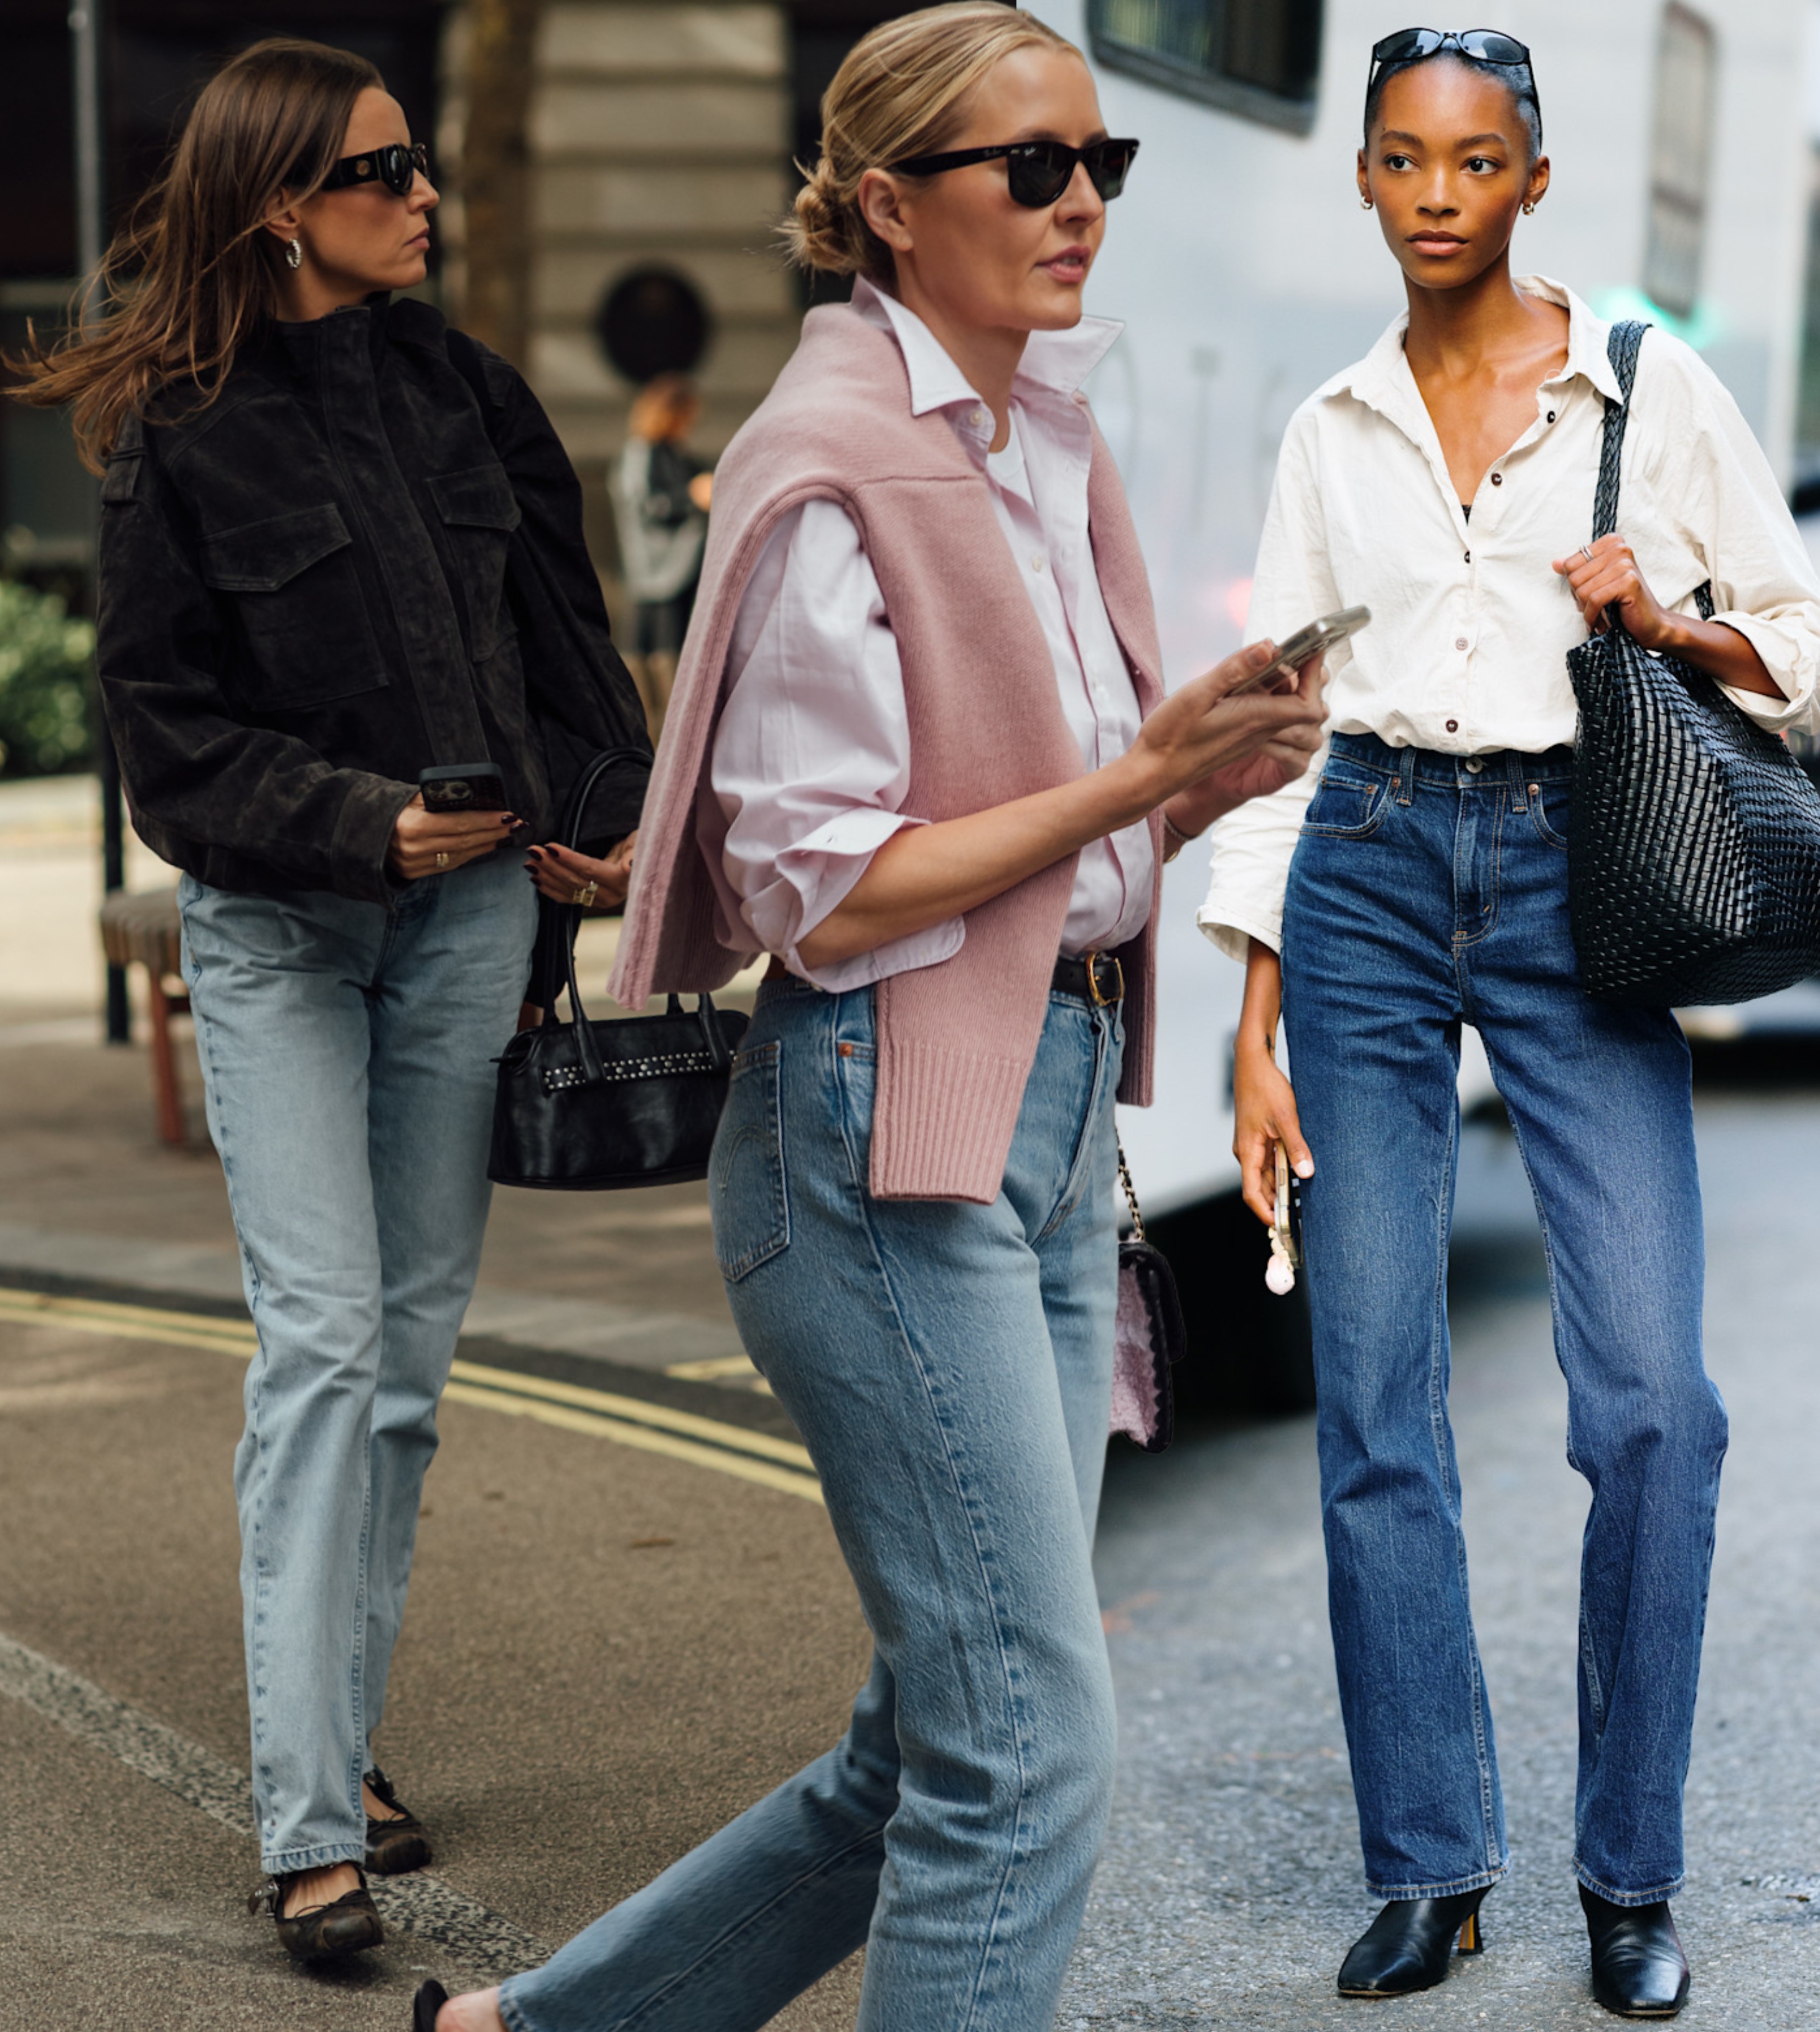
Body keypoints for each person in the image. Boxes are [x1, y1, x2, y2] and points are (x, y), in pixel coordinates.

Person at [413, 6, 1325, 2028]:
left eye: (1105, 163)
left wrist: (1190, 764)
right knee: (1024, 1752)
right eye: (1033, 167)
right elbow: (827, 885)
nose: (1082, 200)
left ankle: (541, 2028)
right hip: (884, 1129)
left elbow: (1025, 825)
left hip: (1051, 1105)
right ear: (891, 206)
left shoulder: (1030, 440)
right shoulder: (831, 464)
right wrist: (1124, 787)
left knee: (940, 1731)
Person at [1204, 27, 1820, 2021]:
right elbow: (1276, 720)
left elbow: (1816, 651)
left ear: (1529, 181)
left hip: (1576, 873)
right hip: (1368, 877)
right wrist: (1251, 1012)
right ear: (1366, 181)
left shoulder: (1646, 392)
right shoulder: (1328, 424)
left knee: (1651, 1400)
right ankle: (1429, 1863)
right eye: (1398, 158)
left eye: (1471, 161)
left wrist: (1662, 615)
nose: (1431, 194)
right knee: (1370, 1392)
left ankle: (1626, 1873)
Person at [10, 37, 648, 1963]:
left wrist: (597, 832)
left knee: (405, 1371)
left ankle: (337, 1741)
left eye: (423, 163)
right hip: (283, 933)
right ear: (283, 204)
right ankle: (308, 1828)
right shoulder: (182, 433)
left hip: (467, 943)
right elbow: (171, 747)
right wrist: (369, 822)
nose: (425, 197)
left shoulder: (476, 396)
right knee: (319, 1340)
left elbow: (575, 669)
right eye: (385, 173)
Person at [610, 370, 711, 740]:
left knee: (672, 656)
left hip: (677, 572)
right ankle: (655, 739)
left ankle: (672, 735)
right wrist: (693, 498)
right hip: (658, 572)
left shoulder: (675, 455)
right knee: (652, 658)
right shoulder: (642, 455)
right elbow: (651, 507)